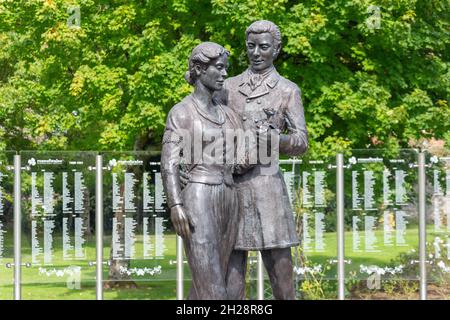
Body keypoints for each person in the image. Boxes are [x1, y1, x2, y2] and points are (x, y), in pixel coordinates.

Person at [218, 20, 309, 300]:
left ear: (276, 49)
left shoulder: (287, 90)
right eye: (251, 46)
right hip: (233, 188)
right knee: (231, 273)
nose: (256, 53)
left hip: (268, 189)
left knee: (281, 272)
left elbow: (301, 142)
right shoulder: (228, 88)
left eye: (264, 47)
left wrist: (274, 141)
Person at [160, 42, 245, 299]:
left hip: (230, 198)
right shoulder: (182, 112)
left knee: (229, 284)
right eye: (218, 68)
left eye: (225, 68)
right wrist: (175, 204)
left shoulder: (229, 115)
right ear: (198, 69)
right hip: (199, 198)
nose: (224, 74)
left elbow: (244, 157)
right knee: (212, 287)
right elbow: (169, 163)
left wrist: (271, 136)